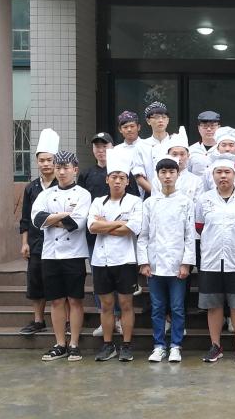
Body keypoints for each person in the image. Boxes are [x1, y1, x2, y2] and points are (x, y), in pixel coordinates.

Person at [196, 154, 235, 363]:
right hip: (211, 259)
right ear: (212, 175)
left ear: (234, 174)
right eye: (219, 172)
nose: (223, 176)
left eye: (227, 172)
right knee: (213, 304)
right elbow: (199, 227)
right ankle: (215, 345)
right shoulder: (204, 199)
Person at [33, 150, 91, 362]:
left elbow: (76, 223)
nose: (62, 171)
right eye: (58, 167)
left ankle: (74, 343)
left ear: (75, 170)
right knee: (56, 301)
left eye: (66, 167)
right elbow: (37, 219)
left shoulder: (83, 194)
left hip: (74, 254)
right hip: (50, 254)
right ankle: (60, 344)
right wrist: (62, 217)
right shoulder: (45, 194)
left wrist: (51, 219)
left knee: (74, 300)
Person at [138, 156, 196, 363]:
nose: (168, 176)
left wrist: (186, 263)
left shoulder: (186, 202)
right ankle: (159, 345)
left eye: (171, 172)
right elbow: (143, 234)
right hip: (155, 265)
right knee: (157, 308)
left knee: (178, 307)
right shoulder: (150, 203)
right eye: (163, 172)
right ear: (157, 175)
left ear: (178, 175)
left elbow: (189, 235)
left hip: (177, 264)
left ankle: (176, 346)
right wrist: (144, 262)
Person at [87, 148, 142, 363]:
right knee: (106, 305)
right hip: (101, 260)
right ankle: (108, 345)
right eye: (113, 177)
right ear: (107, 179)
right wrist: (119, 223)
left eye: (121, 178)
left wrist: (106, 224)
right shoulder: (97, 202)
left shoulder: (135, 202)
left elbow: (131, 229)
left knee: (126, 304)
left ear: (127, 181)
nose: (117, 181)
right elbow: (92, 227)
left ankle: (126, 345)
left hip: (125, 260)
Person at [80, 132, 122, 339]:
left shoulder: (122, 172)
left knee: (119, 278)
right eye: (97, 146)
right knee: (99, 279)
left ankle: (119, 319)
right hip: (94, 236)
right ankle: (104, 318)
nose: (101, 150)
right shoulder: (86, 174)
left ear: (113, 147)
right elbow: (82, 204)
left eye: (105, 146)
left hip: (120, 236)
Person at [18, 128, 58, 336]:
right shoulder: (31, 187)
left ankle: (64, 321)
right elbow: (25, 218)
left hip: (59, 242)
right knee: (35, 281)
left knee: (58, 283)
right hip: (36, 242)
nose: (46, 164)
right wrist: (24, 242)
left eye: (49, 160)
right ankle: (38, 320)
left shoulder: (64, 185)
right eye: (42, 160)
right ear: (37, 162)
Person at [132, 101, 173, 197]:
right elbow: (138, 176)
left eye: (164, 117)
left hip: (174, 194)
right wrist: (156, 194)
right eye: (156, 117)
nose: (160, 120)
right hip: (150, 195)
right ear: (148, 121)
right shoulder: (141, 145)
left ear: (168, 120)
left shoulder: (175, 142)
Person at [154, 127, 203, 200]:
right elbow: (154, 201)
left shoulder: (196, 181)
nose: (179, 158)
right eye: (174, 154)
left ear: (188, 156)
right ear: (168, 155)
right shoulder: (157, 180)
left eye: (182, 154)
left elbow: (197, 204)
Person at [114, 111, 145, 197]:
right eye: (125, 127)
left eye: (132, 126)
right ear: (120, 129)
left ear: (138, 127)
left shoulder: (148, 146)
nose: (129, 129)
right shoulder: (116, 150)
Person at [188, 110, 221, 177]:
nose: (209, 129)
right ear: (199, 128)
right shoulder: (190, 150)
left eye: (212, 126)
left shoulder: (223, 150)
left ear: (219, 127)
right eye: (205, 126)